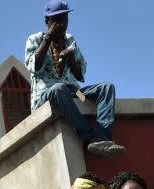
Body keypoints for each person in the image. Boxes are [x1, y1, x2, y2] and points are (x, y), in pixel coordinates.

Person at [25, 1, 124, 159]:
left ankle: (103, 138)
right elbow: (34, 66)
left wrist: (71, 59)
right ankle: (90, 137)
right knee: (58, 88)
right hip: (46, 96)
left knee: (106, 88)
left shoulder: (70, 40)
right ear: (47, 22)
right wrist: (48, 38)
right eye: (56, 19)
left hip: (74, 94)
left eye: (65, 18)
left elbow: (79, 76)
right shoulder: (35, 39)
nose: (62, 24)